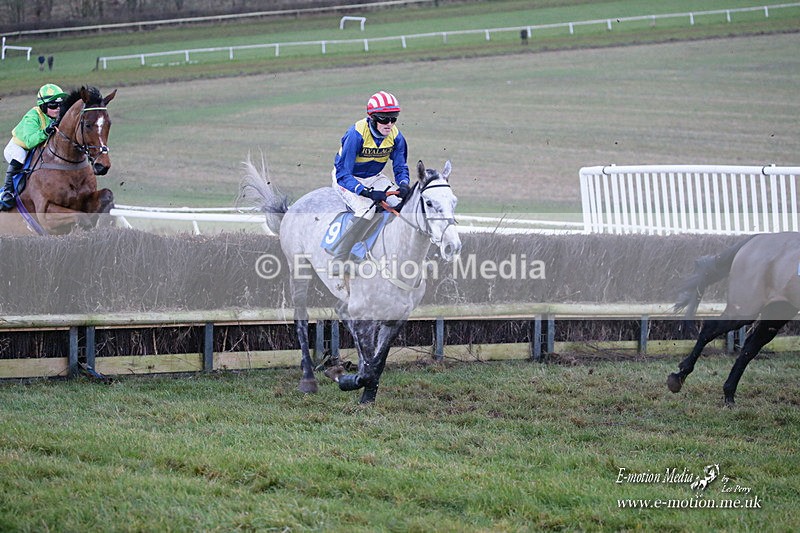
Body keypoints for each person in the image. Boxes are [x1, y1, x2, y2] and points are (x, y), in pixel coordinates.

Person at [329, 90, 411, 274]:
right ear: (372, 118)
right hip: (348, 179)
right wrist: (365, 192)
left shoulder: (397, 137)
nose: (389, 124)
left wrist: (404, 184)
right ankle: (340, 257)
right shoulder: (355, 134)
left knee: (402, 206)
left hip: (375, 177)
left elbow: (400, 166)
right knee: (367, 209)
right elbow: (343, 173)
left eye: (394, 118)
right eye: (384, 119)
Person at [1, 83, 66, 210]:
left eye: (60, 104)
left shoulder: (57, 116)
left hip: (37, 149)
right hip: (19, 147)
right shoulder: (32, 116)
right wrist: (46, 131)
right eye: (53, 105)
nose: (58, 108)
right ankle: (7, 191)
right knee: (20, 156)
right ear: (43, 106)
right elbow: (30, 142)